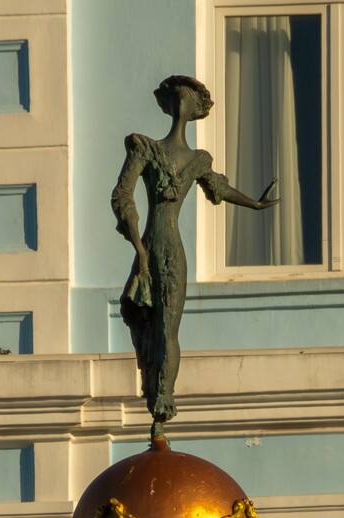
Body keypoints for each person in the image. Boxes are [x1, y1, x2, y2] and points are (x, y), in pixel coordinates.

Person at [111, 75, 278, 431]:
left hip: (173, 252)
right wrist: (138, 246)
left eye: (187, 98)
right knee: (148, 326)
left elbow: (220, 188)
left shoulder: (198, 161)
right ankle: (153, 391)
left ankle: (164, 399)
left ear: (194, 110)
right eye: (177, 96)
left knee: (168, 330)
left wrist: (254, 203)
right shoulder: (145, 149)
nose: (181, 103)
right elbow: (123, 196)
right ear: (170, 104)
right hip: (150, 246)